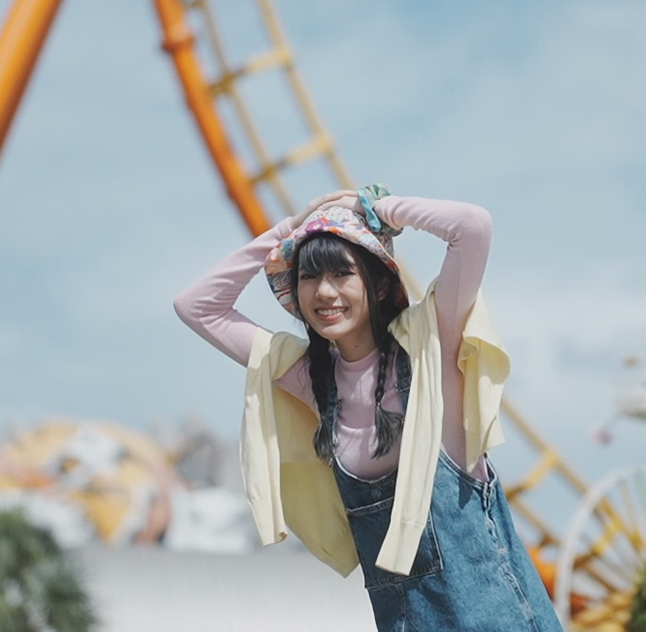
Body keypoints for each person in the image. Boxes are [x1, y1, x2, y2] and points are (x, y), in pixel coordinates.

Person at [174, 185, 563, 632]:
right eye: (308, 277)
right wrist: (291, 227)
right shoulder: (313, 380)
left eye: (342, 274)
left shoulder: (431, 346)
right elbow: (197, 306)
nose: (324, 292)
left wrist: (377, 209)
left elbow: (472, 227)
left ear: (378, 284)